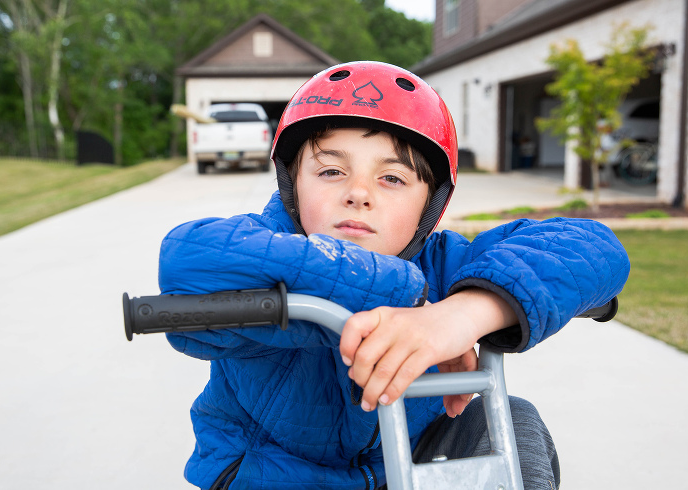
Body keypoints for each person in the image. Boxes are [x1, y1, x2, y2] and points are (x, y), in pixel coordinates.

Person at [158, 61, 629, 490]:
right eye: (330, 171)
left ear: (431, 205)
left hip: (409, 468)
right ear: (292, 183)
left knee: (511, 418)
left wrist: (460, 316)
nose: (358, 193)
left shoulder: (446, 264)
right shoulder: (262, 246)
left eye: (392, 178)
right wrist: (408, 298)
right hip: (271, 472)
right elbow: (185, 261)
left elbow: (594, 248)